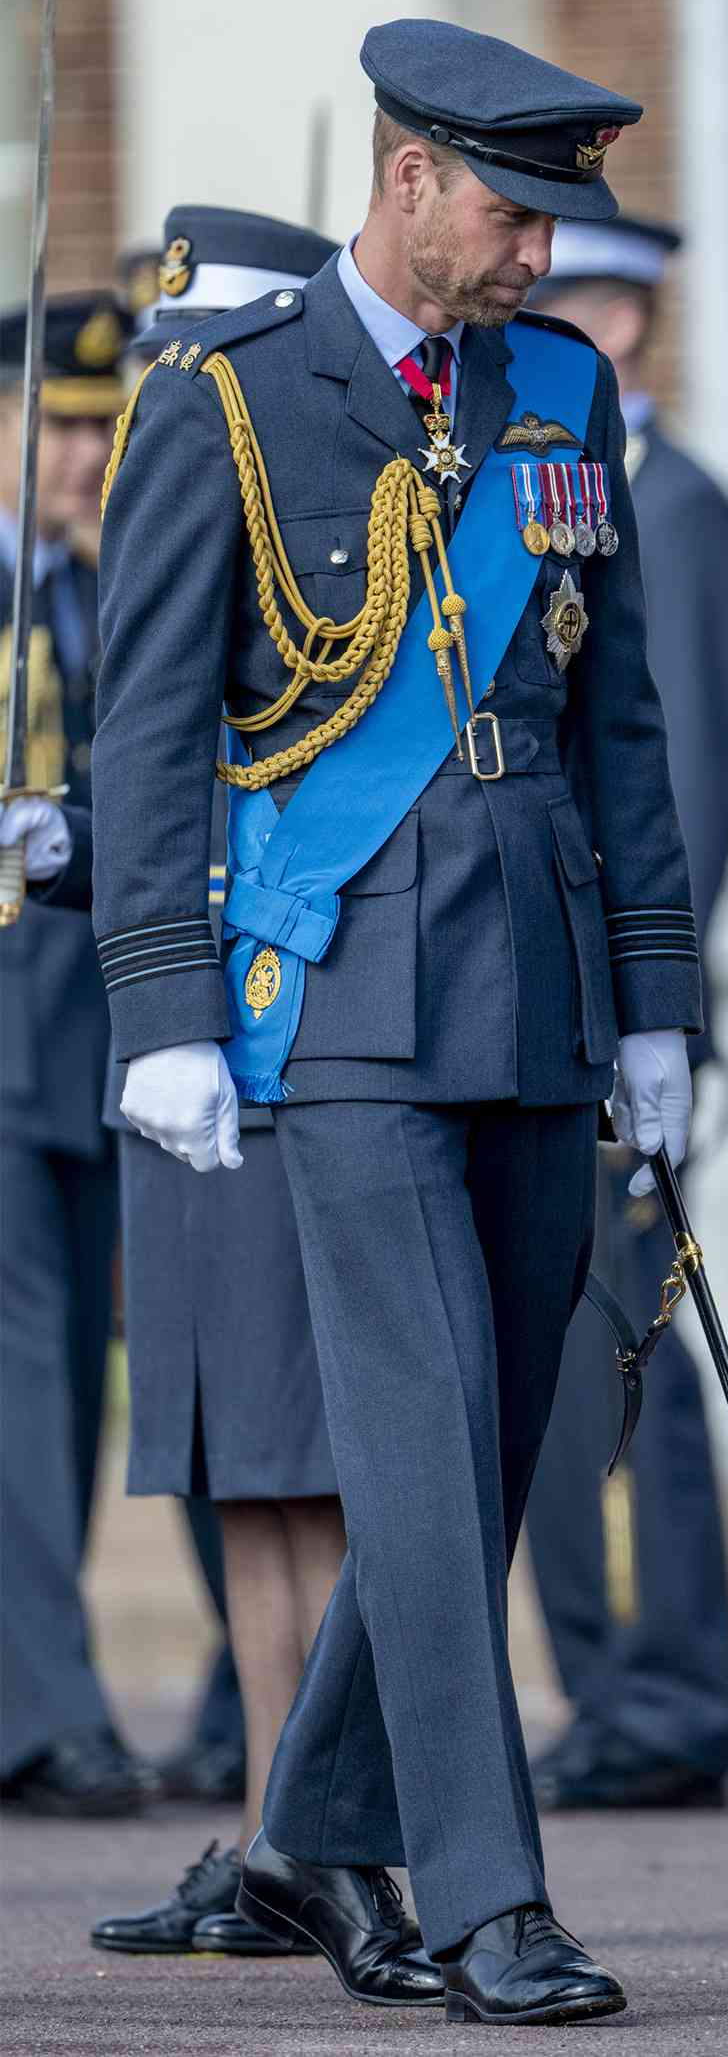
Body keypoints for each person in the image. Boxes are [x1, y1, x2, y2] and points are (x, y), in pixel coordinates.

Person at [90, 18, 700, 2028]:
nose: (543, 257)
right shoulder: (234, 407)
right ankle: (490, 1899)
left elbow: (619, 724)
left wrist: (668, 1003)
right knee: (419, 1436)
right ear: (412, 179)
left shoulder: (562, 396)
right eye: (518, 216)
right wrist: (165, 1009)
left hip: (541, 985)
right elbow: (153, 729)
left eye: (557, 224)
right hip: (339, 988)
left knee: (499, 1439)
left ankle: (301, 1835)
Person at [87, 207, 345, 1961]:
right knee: (245, 1466)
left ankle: (337, 1824)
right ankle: (275, 1825)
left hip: (289, 1007)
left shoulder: (311, 474)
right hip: (188, 1012)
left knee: (318, 1467)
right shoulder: (199, 460)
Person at [523, 214, 728, 1813]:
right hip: (548, 999)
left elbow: (696, 775)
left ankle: (665, 1688)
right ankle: (605, 1679)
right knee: (559, 1358)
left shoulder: (676, 504)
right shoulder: (559, 491)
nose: (574, 335)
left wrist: (647, 1001)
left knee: (636, 1358)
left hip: (629, 1007)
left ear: (639, 324)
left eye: (595, 308)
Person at [0, 291, 159, 1818]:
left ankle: (38, 1698)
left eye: (103, 428)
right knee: (22, 1376)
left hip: (89, 1034)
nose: (81, 453)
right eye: (54, 422)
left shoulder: (96, 590)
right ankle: (45, 1714)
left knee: (71, 1395)